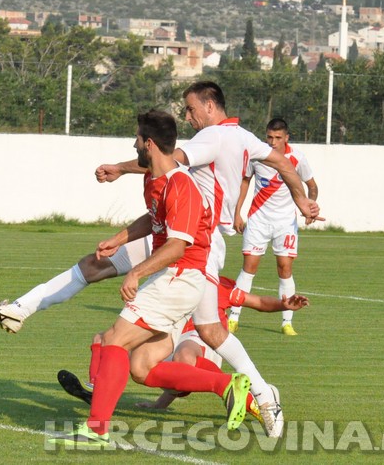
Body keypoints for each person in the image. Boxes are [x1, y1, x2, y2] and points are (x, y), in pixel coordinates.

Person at [0, 82, 321, 438]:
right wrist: (302, 200)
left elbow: (165, 159)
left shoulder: (213, 137)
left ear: (209, 105)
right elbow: (282, 163)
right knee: (193, 339)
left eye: (190, 109)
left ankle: (28, 317)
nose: (187, 117)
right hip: (198, 241)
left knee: (112, 314)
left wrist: (121, 168)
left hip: (186, 239)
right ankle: (261, 393)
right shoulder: (245, 137)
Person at [48, 110, 250, 448]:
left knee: (114, 339)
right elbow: (154, 218)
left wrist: (137, 271)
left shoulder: (181, 183)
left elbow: (177, 244)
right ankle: (226, 385)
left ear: (150, 144)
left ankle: (96, 428)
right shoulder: (154, 179)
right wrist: (120, 238)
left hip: (181, 277)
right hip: (173, 279)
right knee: (142, 368)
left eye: (138, 139)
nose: (134, 143)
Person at [56, 277, 310, 417]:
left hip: (202, 339)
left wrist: (284, 305)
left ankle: (248, 394)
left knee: (184, 353)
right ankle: (95, 390)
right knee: (105, 338)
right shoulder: (170, 280)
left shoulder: (215, 284)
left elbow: (256, 302)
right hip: (170, 335)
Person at [228, 118, 319, 336]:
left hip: (285, 221)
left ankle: (287, 322)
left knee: (285, 268)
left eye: (278, 138)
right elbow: (245, 182)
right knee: (249, 267)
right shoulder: (257, 154)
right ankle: (233, 318)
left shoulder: (297, 158)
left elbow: (312, 186)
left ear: (286, 138)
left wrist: (311, 205)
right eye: (269, 137)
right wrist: (237, 212)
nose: (273, 142)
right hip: (258, 219)